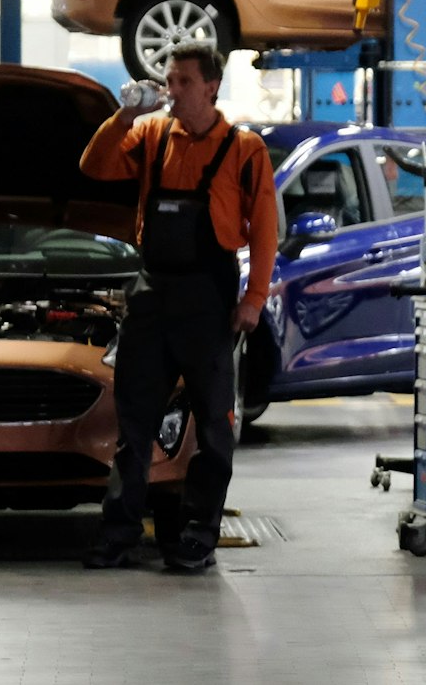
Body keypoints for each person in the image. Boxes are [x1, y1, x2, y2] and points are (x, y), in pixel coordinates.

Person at [80, 43, 278, 573]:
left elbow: (263, 229)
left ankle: (197, 535)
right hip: (152, 295)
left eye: (183, 81)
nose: (172, 90)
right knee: (135, 424)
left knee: (214, 428)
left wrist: (253, 300)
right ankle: (118, 533)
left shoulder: (244, 149)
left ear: (211, 86)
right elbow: (93, 165)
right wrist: (124, 114)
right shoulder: (150, 135)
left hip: (208, 302)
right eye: (169, 80)